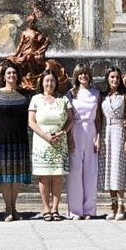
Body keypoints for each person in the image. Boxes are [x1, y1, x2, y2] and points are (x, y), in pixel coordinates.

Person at [0, 62, 32, 222]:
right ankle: (7, 209)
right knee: (6, 177)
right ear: (4, 76)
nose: (11, 76)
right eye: (8, 73)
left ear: (17, 75)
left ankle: (14, 207)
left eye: (14, 73)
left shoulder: (24, 95)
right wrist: (0, 130)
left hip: (20, 139)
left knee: (16, 177)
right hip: (3, 140)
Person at [28, 69, 73, 221]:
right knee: (44, 177)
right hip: (42, 142)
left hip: (59, 141)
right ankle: (46, 208)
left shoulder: (63, 99)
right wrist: (45, 136)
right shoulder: (35, 99)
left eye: (52, 81)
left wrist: (63, 133)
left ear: (56, 83)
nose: (50, 83)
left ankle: (55, 209)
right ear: (42, 82)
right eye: (47, 80)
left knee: (58, 177)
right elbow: (31, 122)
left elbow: (70, 120)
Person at [65, 64, 101, 220]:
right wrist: (69, 137)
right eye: (80, 73)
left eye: (86, 73)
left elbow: (99, 117)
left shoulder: (96, 93)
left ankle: (89, 210)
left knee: (90, 172)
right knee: (75, 172)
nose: (83, 76)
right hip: (75, 130)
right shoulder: (71, 94)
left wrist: (98, 137)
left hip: (91, 130)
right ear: (76, 76)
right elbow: (68, 118)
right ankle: (75, 210)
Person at [99, 67, 126, 221]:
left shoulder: (125, 95)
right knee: (108, 169)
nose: (115, 80)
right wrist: (98, 137)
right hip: (106, 132)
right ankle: (112, 205)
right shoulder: (103, 96)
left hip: (119, 131)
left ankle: (121, 205)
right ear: (107, 78)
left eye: (117, 77)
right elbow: (98, 118)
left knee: (118, 168)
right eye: (112, 77)